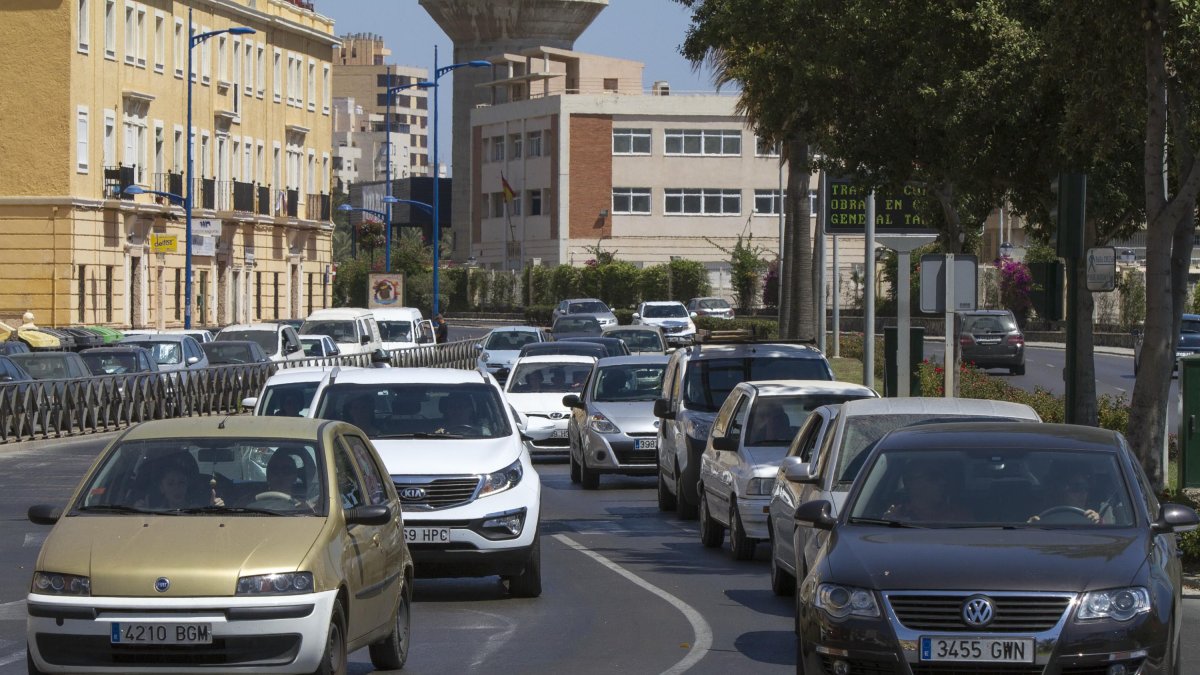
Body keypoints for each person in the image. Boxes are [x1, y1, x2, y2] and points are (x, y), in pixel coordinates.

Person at [883, 460, 967, 522]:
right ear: (911, 483)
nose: (943, 482)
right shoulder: (896, 517)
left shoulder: (959, 516)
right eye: (933, 477)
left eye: (943, 476)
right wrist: (889, 523)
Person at [1029, 473, 1106, 524]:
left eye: (1085, 488)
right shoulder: (1040, 517)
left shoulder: (1092, 517)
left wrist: (1098, 522)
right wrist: (1030, 526)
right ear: (1060, 490)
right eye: (1076, 488)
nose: (1083, 493)